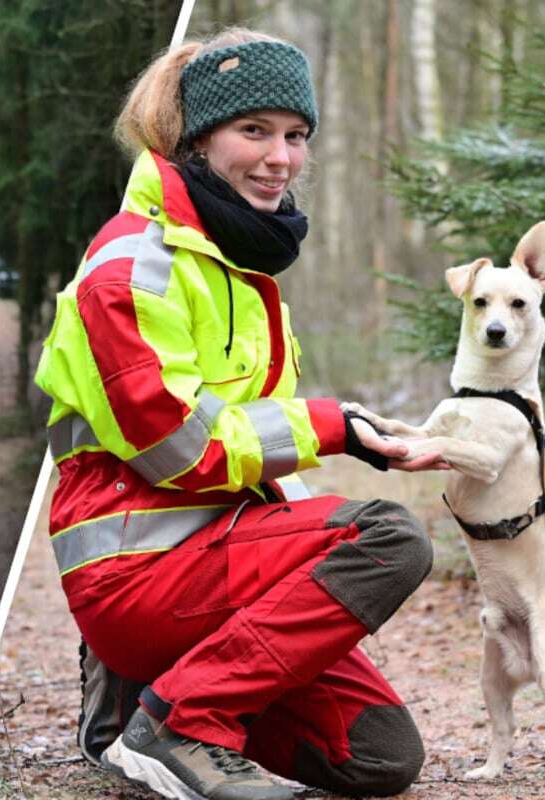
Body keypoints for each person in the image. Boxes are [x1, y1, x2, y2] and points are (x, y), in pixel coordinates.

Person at [34, 29, 445, 800]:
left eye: (295, 136)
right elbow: (178, 450)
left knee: (378, 758)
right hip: (133, 570)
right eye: (253, 130)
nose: (279, 158)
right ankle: (176, 722)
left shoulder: (243, 271)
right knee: (388, 538)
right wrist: (333, 428)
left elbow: (249, 442)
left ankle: (138, 697)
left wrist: (349, 424)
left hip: (218, 561)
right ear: (194, 140)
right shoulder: (133, 267)